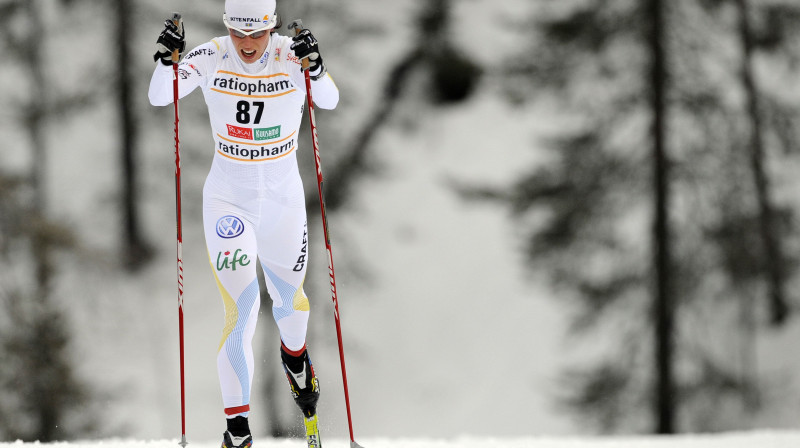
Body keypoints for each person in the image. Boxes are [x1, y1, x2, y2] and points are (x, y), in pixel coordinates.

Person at [148, 1, 339, 447]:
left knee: (292, 307)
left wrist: (315, 68)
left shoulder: (291, 54)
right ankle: (237, 431)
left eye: (257, 34)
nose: (248, 45)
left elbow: (328, 99)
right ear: (227, 27)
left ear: (271, 27)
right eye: (239, 33)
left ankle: (294, 357)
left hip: (283, 204)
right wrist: (165, 60)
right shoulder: (212, 54)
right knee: (241, 313)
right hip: (228, 203)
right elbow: (161, 94)